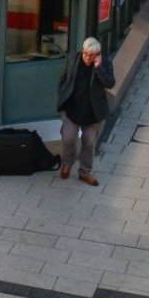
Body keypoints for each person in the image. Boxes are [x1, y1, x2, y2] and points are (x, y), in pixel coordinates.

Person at [55, 36, 115, 186]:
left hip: (92, 111)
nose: (88, 58)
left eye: (92, 55)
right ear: (82, 51)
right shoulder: (72, 59)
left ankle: (85, 171)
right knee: (68, 137)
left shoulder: (105, 62)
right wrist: (62, 98)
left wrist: (99, 67)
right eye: (86, 54)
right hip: (72, 109)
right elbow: (63, 80)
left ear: (98, 55)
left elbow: (110, 83)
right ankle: (67, 163)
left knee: (89, 142)